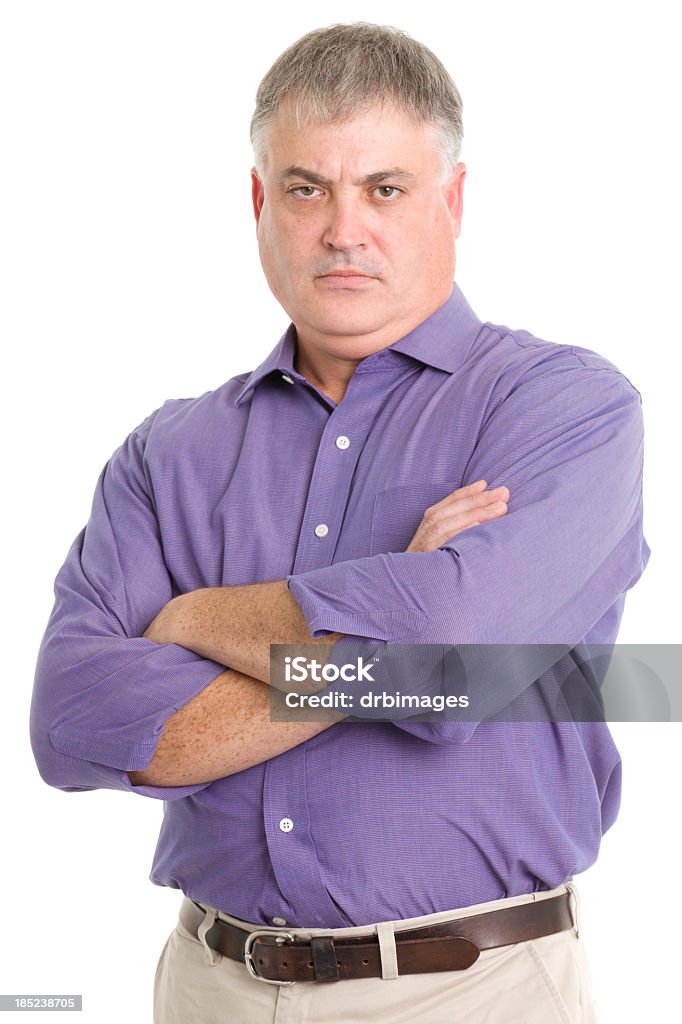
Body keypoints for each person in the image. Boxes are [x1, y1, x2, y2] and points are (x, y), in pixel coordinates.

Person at [30, 21, 649, 1024]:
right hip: (208, 986)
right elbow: (71, 721)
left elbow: (447, 655)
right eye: (307, 187)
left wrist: (193, 619)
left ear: (450, 201)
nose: (341, 228)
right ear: (260, 202)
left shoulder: (563, 409)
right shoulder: (168, 452)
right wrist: (387, 626)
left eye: (385, 189)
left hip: (470, 991)